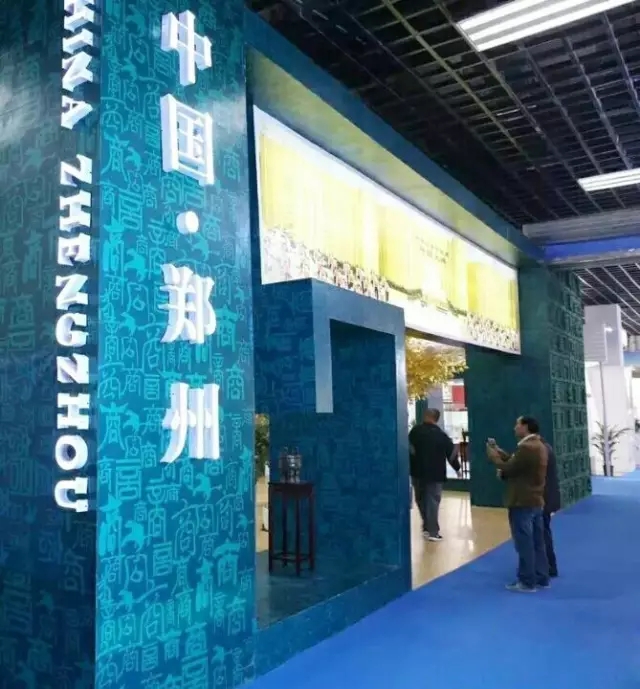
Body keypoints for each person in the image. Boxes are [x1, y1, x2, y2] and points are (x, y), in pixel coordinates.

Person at [487, 416, 550, 592]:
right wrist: (501, 453)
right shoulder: (538, 446)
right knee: (537, 542)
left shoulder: (527, 448)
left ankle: (527, 581)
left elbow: (509, 468)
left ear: (525, 427)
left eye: (517, 424)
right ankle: (541, 576)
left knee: (524, 543)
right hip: (535, 500)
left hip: (522, 501)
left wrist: (494, 457)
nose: (515, 427)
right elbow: (518, 464)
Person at [409, 408, 461, 542]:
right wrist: (457, 468)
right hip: (435, 473)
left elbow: (409, 449)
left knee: (420, 499)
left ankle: (427, 527)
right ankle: (433, 531)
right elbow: (451, 454)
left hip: (417, 472)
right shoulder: (441, 435)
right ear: (437, 419)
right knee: (432, 502)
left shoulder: (414, 432)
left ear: (426, 416)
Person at [541, 437, 560, 578]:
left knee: (542, 533)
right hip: (546, 499)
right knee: (544, 532)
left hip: (542, 500)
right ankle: (548, 566)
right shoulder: (546, 447)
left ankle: (547, 566)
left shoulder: (541, 450)